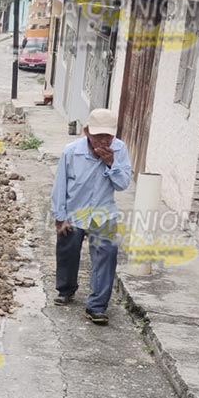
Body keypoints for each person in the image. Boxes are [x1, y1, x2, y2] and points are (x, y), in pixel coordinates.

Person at [49, 108, 132, 326]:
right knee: (67, 252)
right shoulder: (71, 151)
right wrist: (59, 216)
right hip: (74, 212)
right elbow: (60, 185)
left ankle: (97, 307)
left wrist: (111, 164)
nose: (103, 141)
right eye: (98, 136)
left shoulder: (119, 149)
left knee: (107, 255)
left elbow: (123, 184)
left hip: (103, 214)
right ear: (87, 132)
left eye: (108, 136)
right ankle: (66, 290)